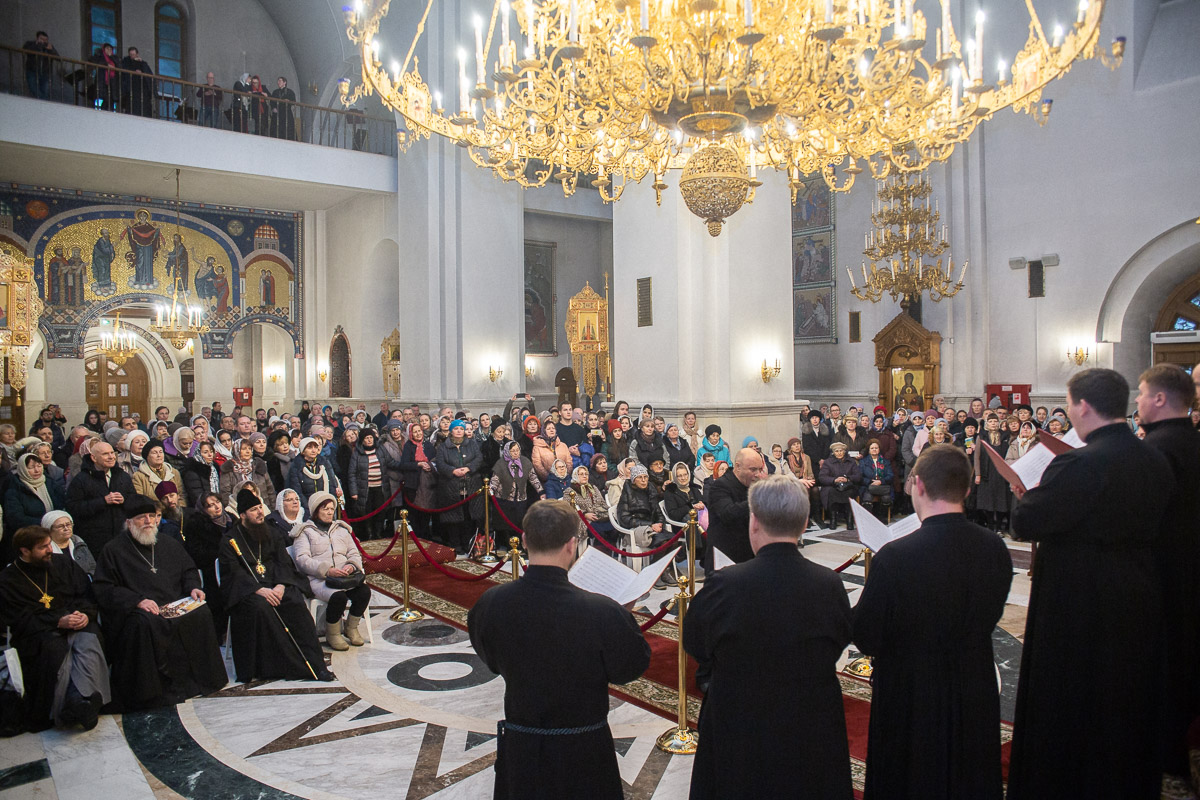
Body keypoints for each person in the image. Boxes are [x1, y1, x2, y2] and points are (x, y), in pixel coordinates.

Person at [1008, 369, 1173, 800]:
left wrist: (1028, 490)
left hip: (1080, 596)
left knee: (1076, 696)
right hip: (1140, 588)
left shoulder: (1079, 462)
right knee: (1126, 693)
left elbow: (1026, 521)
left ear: (1081, 406)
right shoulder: (1155, 458)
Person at [853, 444, 1012, 799]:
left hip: (910, 693)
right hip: (973, 683)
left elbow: (866, 635)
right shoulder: (995, 549)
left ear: (918, 484)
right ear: (968, 490)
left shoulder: (896, 556)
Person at [468, 500, 651, 799]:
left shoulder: (491, 603)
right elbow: (630, 668)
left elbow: (492, 660)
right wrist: (623, 617)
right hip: (585, 752)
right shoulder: (602, 611)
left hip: (523, 751)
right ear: (572, 545)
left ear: (525, 541)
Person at [684, 476, 852, 799]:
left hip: (739, 726)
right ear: (804, 524)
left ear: (754, 522)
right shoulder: (828, 584)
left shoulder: (724, 584)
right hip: (811, 725)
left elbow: (695, 643)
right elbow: (841, 638)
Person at [92, 496, 227, 709]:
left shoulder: (168, 543)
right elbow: (105, 588)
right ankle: (155, 692)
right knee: (145, 623)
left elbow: (189, 570)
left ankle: (201, 682)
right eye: (141, 518)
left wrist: (194, 587)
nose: (148, 521)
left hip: (174, 603)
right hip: (139, 609)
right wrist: (137, 601)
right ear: (129, 522)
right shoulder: (113, 550)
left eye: (152, 516)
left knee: (200, 612)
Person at [1134, 364, 1200, 777]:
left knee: (1163, 670)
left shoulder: (1155, 450)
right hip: (1190, 569)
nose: (1138, 401)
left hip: (1160, 572)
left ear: (1159, 399)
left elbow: (1137, 515)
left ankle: (1166, 756)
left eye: (1141, 393)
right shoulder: (1192, 442)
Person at [0, 526, 111, 732]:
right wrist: (58, 622)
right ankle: (74, 705)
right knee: (55, 648)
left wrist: (85, 614)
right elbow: (18, 618)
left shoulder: (62, 564)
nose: (50, 550)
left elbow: (85, 594)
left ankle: (79, 702)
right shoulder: (8, 579)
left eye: (49, 544)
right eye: (42, 547)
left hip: (75, 620)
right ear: (25, 551)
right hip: (39, 632)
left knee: (89, 637)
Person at [219, 489, 332, 682]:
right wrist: (259, 590)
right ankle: (278, 666)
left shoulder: (271, 532)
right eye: (254, 510)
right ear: (243, 514)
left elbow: (283, 562)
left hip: (276, 584)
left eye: (260, 508)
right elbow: (233, 573)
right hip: (249, 591)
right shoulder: (230, 540)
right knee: (261, 607)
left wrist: (280, 585)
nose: (259, 513)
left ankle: (315, 664)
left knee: (295, 601)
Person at [291, 492, 370, 651]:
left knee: (364, 592)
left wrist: (351, 566)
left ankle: (351, 627)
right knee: (338, 597)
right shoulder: (304, 532)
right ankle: (333, 633)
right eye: (325, 509)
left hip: (345, 578)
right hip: (320, 579)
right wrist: (327, 570)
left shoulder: (341, 529)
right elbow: (302, 560)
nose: (329, 512)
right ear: (315, 511)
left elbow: (354, 553)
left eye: (331, 509)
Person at [65, 440, 137, 553]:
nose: (111, 457)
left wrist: (125, 500)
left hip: (121, 536)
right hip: (94, 539)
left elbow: (134, 500)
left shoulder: (123, 476)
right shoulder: (81, 479)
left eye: (112, 453)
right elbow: (73, 507)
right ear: (94, 458)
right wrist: (103, 501)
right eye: (105, 454)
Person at [704, 447, 767, 565]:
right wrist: (757, 500)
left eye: (760, 469)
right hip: (725, 555)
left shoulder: (753, 484)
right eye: (753, 469)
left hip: (749, 553)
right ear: (738, 466)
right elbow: (728, 513)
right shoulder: (720, 486)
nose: (757, 474)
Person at [436, 420, 483, 554]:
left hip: (470, 486)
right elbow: (440, 463)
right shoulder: (443, 447)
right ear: (451, 431)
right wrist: (452, 471)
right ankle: (455, 544)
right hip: (451, 488)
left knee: (468, 516)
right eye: (455, 428)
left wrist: (469, 468)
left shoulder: (472, 444)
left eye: (461, 429)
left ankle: (468, 543)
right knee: (453, 518)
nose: (458, 431)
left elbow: (479, 458)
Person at [6, 452, 67, 536]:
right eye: (31, 467)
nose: (37, 470)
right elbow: (16, 518)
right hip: (31, 535)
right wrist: (45, 523)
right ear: (23, 469)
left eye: (39, 466)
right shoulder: (15, 489)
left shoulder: (49, 482)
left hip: (55, 531)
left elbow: (62, 503)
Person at [817, 442, 861, 530]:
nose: (839, 453)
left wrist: (848, 479)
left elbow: (858, 476)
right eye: (837, 451)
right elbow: (822, 477)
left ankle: (849, 520)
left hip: (848, 486)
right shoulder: (828, 462)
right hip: (833, 485)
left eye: (841, 451)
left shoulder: (851, 461)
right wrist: (834, 480)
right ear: (833, 453)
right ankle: (833, 519)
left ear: (845, 452)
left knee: (850, 492)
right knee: (831, 492)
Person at [42, 510, 96, 576]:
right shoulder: (45, 550)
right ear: (49, 529)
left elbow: (92, 568)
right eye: (60, 526)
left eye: (68, 524)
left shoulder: (79, 544)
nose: (66, 528)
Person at [23, 31, 59, 100]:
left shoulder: (49, 47)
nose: (44, 41)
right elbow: (25, 50)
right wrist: (38, 45)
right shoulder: (30, 44)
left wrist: (51, 50)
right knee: (33, 89)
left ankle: (43, 102)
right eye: (42, 39)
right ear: (37, 38)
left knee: (46, 91)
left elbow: (57, 58)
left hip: (46, 73)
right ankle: (42, 101)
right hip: (32, 72)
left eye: (46, 40)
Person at [119, 47, 154, 117]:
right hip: (131, 89)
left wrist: (142, 71)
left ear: (137, 54)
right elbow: (125, 73)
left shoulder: (143, 64)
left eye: (134, 54)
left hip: (142, 90)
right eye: (131, 54)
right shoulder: (126, 62)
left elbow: (149, 75)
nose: (132, 56)